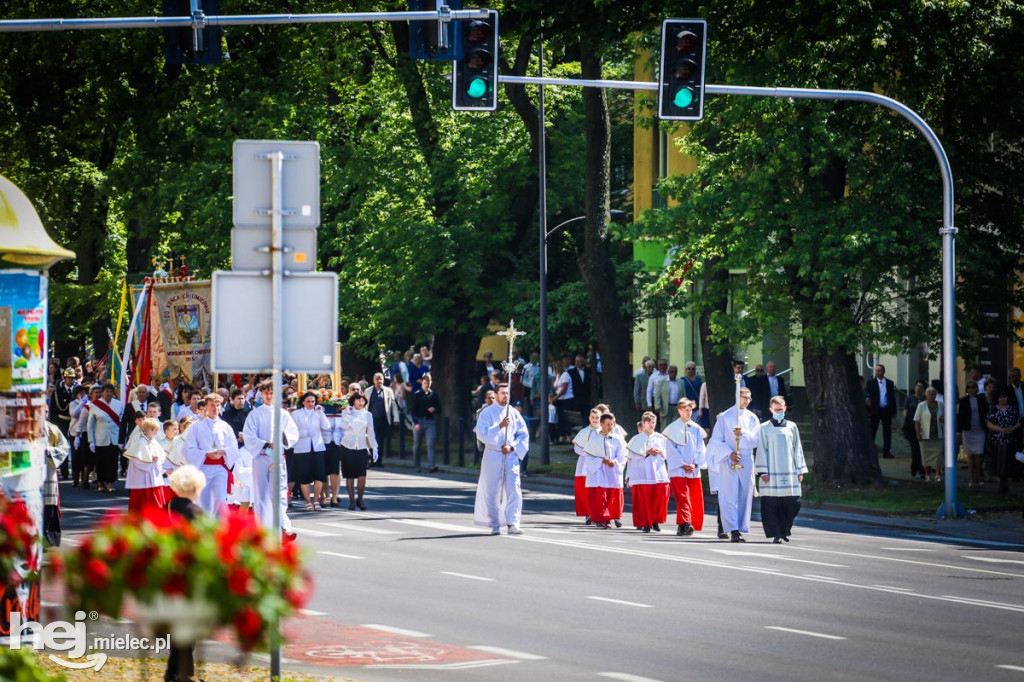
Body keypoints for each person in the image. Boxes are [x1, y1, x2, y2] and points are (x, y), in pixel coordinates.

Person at [164, 465, 206, 682]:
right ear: (196, 488)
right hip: (189, 575)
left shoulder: (166, 507)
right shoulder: (196, 513)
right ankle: (182, 674)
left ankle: (175, 672)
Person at [243, 380, 299, 540]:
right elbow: (249, 437)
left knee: (280, 493)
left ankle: (283, 527)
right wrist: (267, 443)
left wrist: (283, 438)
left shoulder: (283, 414)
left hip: (277, 458)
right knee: (262, 495)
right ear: (262, 394)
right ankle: (263, 530)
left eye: (271, 393)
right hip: (261, 458)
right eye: (266, 393)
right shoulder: (255, 414)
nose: (268, 396)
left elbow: (293, 434)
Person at [473, 383, 530, 535]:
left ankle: (513, 522)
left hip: (510, 455)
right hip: (493, 455)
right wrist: (499, 426)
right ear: (496, 395)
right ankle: (495, 523)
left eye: (507, 393)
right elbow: (481, 434)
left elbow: (523, 434)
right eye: (503, 393)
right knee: (492, 490)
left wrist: (512, 447)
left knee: (514, 488)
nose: (506, 396)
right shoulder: (487, 413)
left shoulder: (513, 413)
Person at [707, 386, 760, 542]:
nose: (747, 400)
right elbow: (716, 440)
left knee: (745, 495)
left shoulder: (752, 418)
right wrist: (729, 453)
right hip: (729, 459)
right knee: (729, 495)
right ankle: (733, 529)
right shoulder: (725, 417)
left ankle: (741, 526)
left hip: (745, 458)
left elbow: (757, 439)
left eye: (749, 398)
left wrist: (743, 435)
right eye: (745, 397)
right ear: (738, 397)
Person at [756, 397, 808, 543]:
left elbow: (797, 448)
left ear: (785, 408)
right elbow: (761, 450)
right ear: (771, 410)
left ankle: (785, 529)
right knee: (772, 505)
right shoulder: (764, 427)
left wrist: (800, 470)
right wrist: (763, 471)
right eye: (776, 409)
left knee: (793, 503)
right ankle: (777, 533)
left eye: (781, 409)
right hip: (771, 473)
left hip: (789, 472)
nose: (779, 412)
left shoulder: (792, 426)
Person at [183, 393, 240, 515]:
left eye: (217, 405)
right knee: (205, 501)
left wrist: (224, 452)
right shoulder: (197, 426)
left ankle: (221, 528)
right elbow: (188, 448)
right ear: (206, 408)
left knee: (220, 500)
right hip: (203, 468)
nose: (215, 408)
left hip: (220, 468)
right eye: (212, 405)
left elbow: (233, 447)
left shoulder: (225, 426)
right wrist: (205, 453)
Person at [662, 399, 706, 536]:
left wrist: (695, 464)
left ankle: (682, 525)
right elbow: (670, 449)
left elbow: (701, 448)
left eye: (690, 410)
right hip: (678, 469)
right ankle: (687, 522)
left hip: (693, 469)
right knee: (683, 497)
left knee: (693, 498)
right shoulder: (672, 428)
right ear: (679, 410)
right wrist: (682, 463)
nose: (688, 412)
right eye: (686, 410)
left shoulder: (696, 428)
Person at [625, 412, 670, 533]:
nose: (651, 425)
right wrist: (646, 452)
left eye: (653, 422)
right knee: (644, 500)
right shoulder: (637, 438)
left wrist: (659, 451)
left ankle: (655, 520)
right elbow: (630, 455)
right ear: (643, 423)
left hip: (658, 472)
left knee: (659, 498)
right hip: (642, 473)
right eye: (649, 422)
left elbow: (667, 454)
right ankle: (645, 522)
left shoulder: (660, 438)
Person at [583, 413, 628, 529]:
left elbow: (623, 456)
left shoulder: (618, 440)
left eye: (612, 424)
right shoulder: (595, 439)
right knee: (599, 496)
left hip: (612, 471)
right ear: (602, 424)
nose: (610, 427)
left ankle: (609, 518)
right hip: (599, 472)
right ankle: (599, 519)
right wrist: (600, 461)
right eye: (608, 424)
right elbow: (588, 457)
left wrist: (615, 462)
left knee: (611, 496)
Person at [291, 392, 331, 511]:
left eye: (313, 402)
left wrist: (321, 413)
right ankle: (308, 501)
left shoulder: (317, 413)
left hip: (317, 447)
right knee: (304, 476)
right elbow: (292, 430)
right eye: (308, 401)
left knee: (319, 475)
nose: (310, 404)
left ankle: (316, 500)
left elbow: (326, 426)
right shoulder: (296, 414)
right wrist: (304, 433)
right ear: (303, 402)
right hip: (302, 448)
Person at [124, 417, 171, 516]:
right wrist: (151, 460)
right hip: (142, 479)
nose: (157, 432)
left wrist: (159, 463)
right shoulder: (140, 443)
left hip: (153, 477)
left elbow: (161, 457)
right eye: (155, 429)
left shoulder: (154, 441)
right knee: (142, 506)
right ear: (149, 429)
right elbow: (137, 461)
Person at [339, 392, 378, 510]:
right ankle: (351, 500)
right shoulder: (346, 412)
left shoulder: (367, 415)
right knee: (349, 475)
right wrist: (349, 415)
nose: (360, 402)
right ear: (353, 401)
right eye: (358, 399)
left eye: (362, 400)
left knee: (362, 475)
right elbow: (343, 427)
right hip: (348, 445)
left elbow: (370, 432)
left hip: (361, 446)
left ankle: (360, 498)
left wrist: (374, 447)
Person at [86, 382, 124, 493]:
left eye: (111, 391)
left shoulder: (119, 404)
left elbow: (122, 422)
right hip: (100, 438)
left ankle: (110, 483)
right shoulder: (95, 405)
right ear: (102, 393)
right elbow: (90, 425)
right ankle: (100, 483)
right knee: (101, 462)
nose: (109, 393)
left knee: (112, 461)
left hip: (114, 438)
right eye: (106, 391)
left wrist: (122, 439)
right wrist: (91, 441)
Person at [986, 388, 1021, 496]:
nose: (1003, 399)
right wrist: (1000, 429)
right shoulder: (993, 409)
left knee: (1008, 463)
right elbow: (989, 423)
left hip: (1010, 440)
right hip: (998, 440)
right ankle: (1001, 485)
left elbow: (1019, 421)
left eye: (1004, 397)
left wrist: (1013, 428)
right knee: (999, 463)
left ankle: (1005, 485)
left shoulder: (1012, 409)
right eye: (1001, 397)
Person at [42, 414, 70, 547]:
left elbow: (64, 447)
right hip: (30, 470)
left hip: (48, 468)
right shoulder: (25, 428)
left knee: (49, 501)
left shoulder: (53, 429)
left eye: (46, 411)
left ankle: (46, 531)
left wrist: (49, 451)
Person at [571, 408, 603, 524]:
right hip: (585, 465)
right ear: (589, 418)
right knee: (585, 491)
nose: (595, 420)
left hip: (600, 464)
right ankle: (588, 513)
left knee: (599, 490)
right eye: (592, 418)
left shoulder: (604, 432)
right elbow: (577, 448)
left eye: (597, 418)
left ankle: (599, 513)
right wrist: (588, 453)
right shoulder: (584, 432)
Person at [957, 379, 989, 487]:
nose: (971, 389)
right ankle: (971, 478)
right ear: (967, 389)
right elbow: (960, 416)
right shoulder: (963, 400)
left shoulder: (981, 399)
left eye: (973, 387)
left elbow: (986, 413)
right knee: (970, 455)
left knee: (979, 454)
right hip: (968, 430)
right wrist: (959, 431)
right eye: (969, 387)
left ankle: (978, 476)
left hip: (980, 429)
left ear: (976, 388)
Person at [366, 372, 400, 468]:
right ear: (373, 380)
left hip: (383, 420)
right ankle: (372, 460)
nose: (379, 381)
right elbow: (365, 405)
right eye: (377, 379)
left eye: (381, 379)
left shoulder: (388, 391)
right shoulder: (368, 391)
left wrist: (396, 418)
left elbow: (393, 405)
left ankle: (379, 460)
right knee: (372, 440)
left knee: (380, 441)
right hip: (371, 420)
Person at [865, 364, 897, 458]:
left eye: (879, 370)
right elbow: (867, 395)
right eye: (876, 371)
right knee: (872, 430)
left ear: (883, 371)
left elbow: (892, 397)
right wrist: (869, 407)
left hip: (886, 409)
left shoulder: (889, 383)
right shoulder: (871, 383)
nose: (877, 372)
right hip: (875, 410)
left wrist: (893, 410)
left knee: (887, 431)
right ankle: (870, 451)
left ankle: (886, 451)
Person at [410, 374, 440, 472]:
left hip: (429, 421)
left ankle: (431, 465)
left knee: (430, 444)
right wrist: (415, 423)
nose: (427, 385)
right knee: (417, 445)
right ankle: (417, 465)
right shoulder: (417, 394)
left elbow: (439, 409)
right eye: (425, 383)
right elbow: (413, 411)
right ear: (422, 383)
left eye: (428, 383)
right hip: (419, 420)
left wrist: (434, 409)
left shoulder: (433, 395)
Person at [914, 387, 944, 483]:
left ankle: (937, 474)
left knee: (938, 455)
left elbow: (945, 417)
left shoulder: (941, 405)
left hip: (938, 434)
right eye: (929, 394)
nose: (931, 396)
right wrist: (918, 433)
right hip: (925, 435)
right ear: (926, 395)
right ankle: (927, 474)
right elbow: (917, 420)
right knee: (926, 456)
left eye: (933, 394)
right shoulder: (921, 405)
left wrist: (943, 420)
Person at [902, 380, 927, 479]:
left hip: (923, 425)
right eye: (917, 386)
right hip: (911, 425)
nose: (918, 388)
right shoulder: (910, 398)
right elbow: (905, 409)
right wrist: (907, 417)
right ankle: (915, 466)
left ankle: (921, 468)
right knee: (914, 447)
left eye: (920, 387)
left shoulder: (925, 399)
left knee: (921, 448)